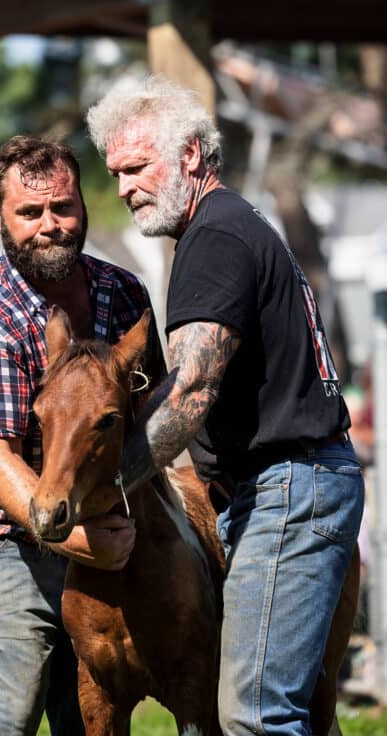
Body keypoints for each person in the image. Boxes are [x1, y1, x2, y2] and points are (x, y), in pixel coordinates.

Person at [86, 74, 365, 736]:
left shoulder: (213, 239)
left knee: (255, 718)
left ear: (188, 155)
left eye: (134, 167)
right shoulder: (231, 224)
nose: (123, 188)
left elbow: (188, 392)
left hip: (289, 489)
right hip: (291, 485)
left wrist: (108, 483)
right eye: (115, 173)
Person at [0, 135, 164, 736]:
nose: (50, 226)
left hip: (105, 527)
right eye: (29, 213)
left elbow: (154, 418)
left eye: (62, 207)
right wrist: (75, 538)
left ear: (83, 204)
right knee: (7, 720)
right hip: (0, 537)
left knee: (88, 719)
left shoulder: (124, 294)